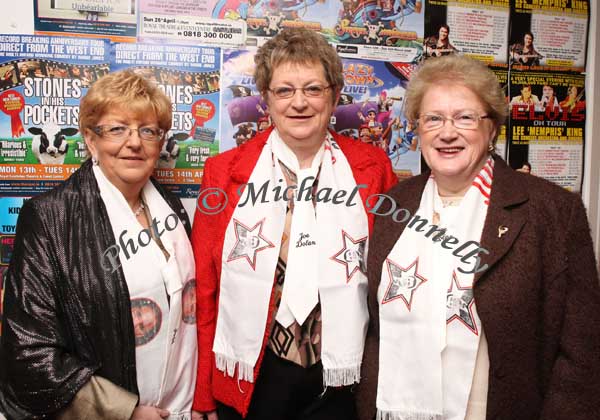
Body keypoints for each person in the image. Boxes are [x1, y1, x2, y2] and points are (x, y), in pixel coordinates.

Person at [357, 54, 600, 420]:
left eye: (465, 117)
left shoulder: (551, 211)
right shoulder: (393, 205)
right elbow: (375, 328)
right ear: (417, 128)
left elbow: (582, 350)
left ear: (492, 129)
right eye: (433, 118)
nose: (447, 132)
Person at [191, 27, 397, 420]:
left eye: (313, 89)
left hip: (343, 374)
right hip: (252, 372)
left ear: (335, 95)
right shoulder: (224, 172)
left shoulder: (372, 168)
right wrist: (203, 392)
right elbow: (206, 286)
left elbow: (388, 283)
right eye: (284, 90)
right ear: (266, 98)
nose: (299, 103)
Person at [0, 70, 201, 420]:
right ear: (91, 139)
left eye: (148, 130)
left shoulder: (171, 207)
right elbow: (27, 350)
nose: (135, 142)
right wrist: (126, 412)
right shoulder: (49, 218)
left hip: (180, 409)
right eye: (117, 129)